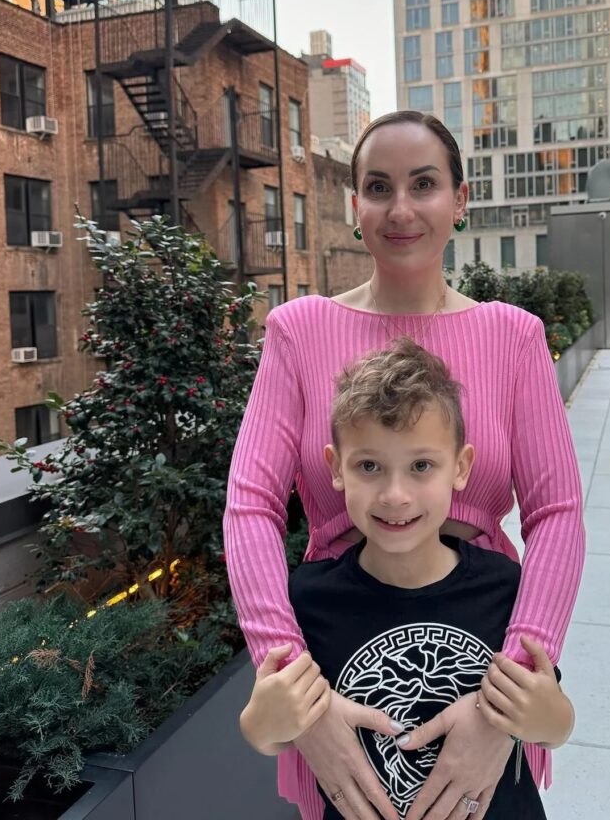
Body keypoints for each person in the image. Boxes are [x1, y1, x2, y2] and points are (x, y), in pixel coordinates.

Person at [224, 110, 585, 820]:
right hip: (341, 651)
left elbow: (557, 513)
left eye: (423, 184)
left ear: (459, 199)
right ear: (354, 205)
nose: (400, 209)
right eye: (378, 187)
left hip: (479, 643)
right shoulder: (298, 331)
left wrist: (505, 699)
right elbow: (250, 506)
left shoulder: (514, 337)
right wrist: (299, 695)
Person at [240, 338, 574, 820]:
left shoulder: (505, 587)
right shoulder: (309, 600)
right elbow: (266, 733)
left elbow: (555, 726)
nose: (395, 495)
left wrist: (544, 716)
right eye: (369, 466)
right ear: (336, 468)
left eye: (421, 466)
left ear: (460, 467)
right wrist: (263, 721)